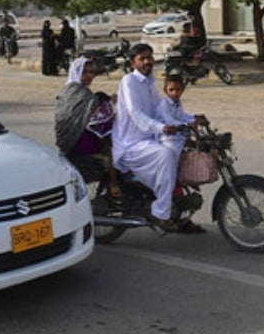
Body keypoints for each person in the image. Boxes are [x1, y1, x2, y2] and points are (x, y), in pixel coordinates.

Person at [112, 43, 203, 233]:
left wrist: (193, 118)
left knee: (180, 154)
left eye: (149, 57)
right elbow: (136, 113)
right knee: (165, 156)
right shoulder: (129, 81)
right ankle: (161, 213)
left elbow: (161, 110)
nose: (147, 61)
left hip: (149, 138)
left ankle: (180, 212)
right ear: (133, 62)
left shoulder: (150, 83)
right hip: (131, 143)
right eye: (141, 58)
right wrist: (161, 127)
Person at [56, 56, 120, 199]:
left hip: (71, 142)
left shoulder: (71, 91)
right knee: (111, 141)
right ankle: (114, 182)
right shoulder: (78, 93)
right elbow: (96, 119)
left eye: (91, 72)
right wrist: (110, 105)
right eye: (85, 72)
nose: (89, 76)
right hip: (80, 143)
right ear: (76, 72)